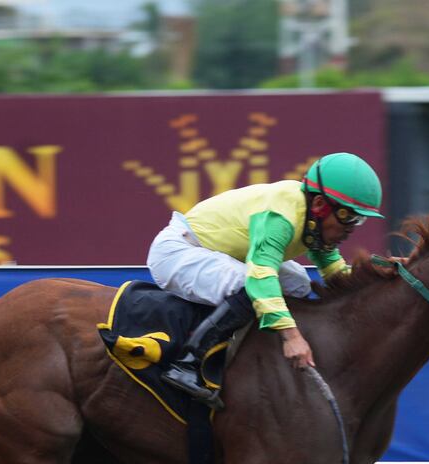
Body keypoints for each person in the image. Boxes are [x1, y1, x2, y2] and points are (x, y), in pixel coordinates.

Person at [147, 152, 383, 408]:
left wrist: (381, 274)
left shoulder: (313, 221)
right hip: (178, 252)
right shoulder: (282, 217)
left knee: (298, 283)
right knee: (250, 285)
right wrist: (292, 337)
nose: (351, 228)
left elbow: (337, 275)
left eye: (359, 220)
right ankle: (187, 364)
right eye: (348, 216)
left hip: (217, 252)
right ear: (319, 205)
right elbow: (261, 276)